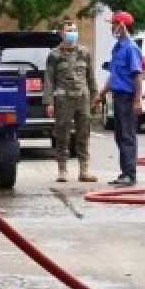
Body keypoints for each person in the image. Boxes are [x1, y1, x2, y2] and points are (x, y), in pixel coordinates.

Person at [45, 19, 98, 182]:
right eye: (69, 30)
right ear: (62, 33)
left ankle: (84, 170)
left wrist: (96, 95)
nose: (72, 33)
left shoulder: (84, 52)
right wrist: (49, 102)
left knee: (84, 134)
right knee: (62, 134)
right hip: (64, 99)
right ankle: (62, 169)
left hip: (83, 98)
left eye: (74, 29)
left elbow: (90, 76)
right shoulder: (54, 55)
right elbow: (49, 80)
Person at [94, 11, 142, 186]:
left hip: (128, 97)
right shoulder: (117, 48)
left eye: (114, 24)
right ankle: (124, 172)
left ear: (122, 26)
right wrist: (101, 93)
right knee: (119, 135)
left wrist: (137, 100)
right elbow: (113, 75)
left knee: (127, 136)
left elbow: (137, 76)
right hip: (117, 97)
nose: (112, 28)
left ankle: (130, 174)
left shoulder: (131, 48)